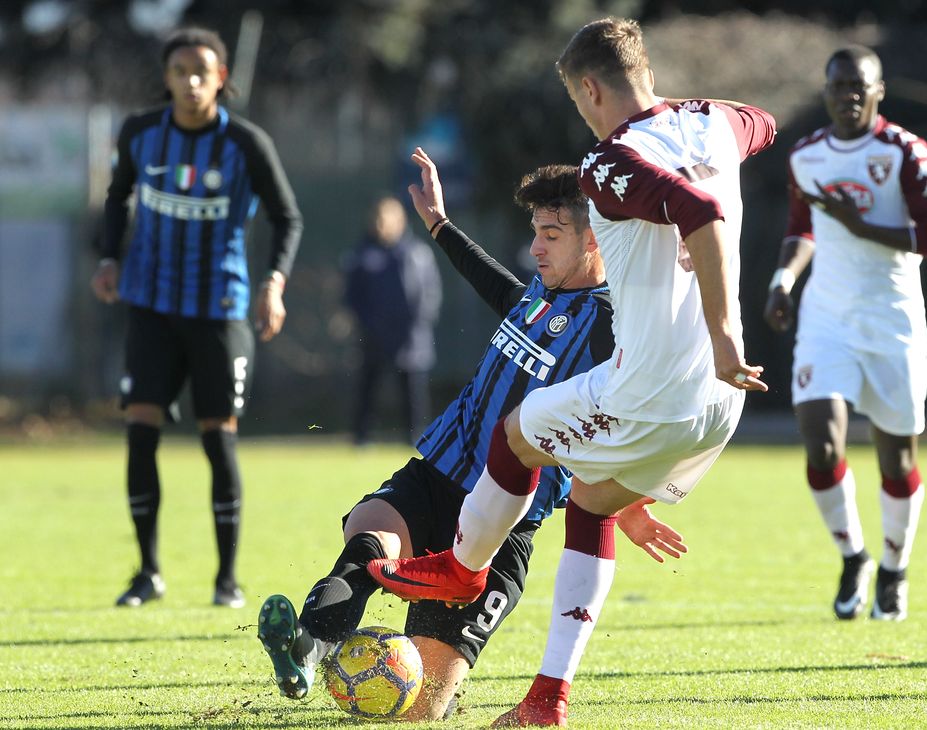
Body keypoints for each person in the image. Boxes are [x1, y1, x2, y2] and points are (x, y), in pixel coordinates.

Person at [368, 17, 775, 727]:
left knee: (515, 435)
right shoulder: (709, 122)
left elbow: (699, 208)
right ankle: (546, 701)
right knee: (589, 502)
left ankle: (463, 567)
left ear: (590, 89)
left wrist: (725, 334)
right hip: (718, 406)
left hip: (657, 381)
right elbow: (762, 123)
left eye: (579, 99)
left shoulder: (607, 164)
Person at [256, 148, 685, 720]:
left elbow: (625, 421)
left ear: (595, 240)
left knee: (421, 708)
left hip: (502, 526)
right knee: (367, 545)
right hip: (434, 479)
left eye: (552, 234)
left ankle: (364, 666)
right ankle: (309, 645)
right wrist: (438, 223)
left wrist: (624, 501)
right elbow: (489, 277)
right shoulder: (534, 295)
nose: (536, 246)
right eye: (535, 231)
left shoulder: (610, 326)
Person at [90, 26, 302, 609]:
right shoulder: (140, 134)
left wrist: (273, 283)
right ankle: (147, 572)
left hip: (220, 310)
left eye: (200, 72)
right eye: (179, 71)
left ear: (220, 79)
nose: (189, 82)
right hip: (151, 306)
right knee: (140, 431)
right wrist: (109, 258)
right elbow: (116, 196)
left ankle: (226, 580)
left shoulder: (246, 143)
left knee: (218, 438)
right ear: (167, 77)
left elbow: (288, 217)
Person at [762, 46, 927, 622]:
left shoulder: (903, 152)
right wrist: (782, 282)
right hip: (828, 318)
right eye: (837, 86)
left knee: (896, 461)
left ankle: (894, 572)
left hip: (894, 321)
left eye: (858, 86)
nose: (847, 95)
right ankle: (854, 556)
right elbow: (804, 228)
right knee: (821, 443)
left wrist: (861, 225)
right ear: (825, 92)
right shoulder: (807, 155)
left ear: (879, 92)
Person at [342, 196, 442, 444]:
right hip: (374, 337)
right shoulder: (362, 254)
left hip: (410, 338)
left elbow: (430, 293)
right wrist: (367, 324)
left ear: (400, 221)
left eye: (384, 220)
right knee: (368, 389)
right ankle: (361, 439)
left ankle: (415, 438)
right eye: (376, 219)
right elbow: (352, 296)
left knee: (412, 393)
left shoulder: (418, 253)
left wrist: (418, 324)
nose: (378, 225)